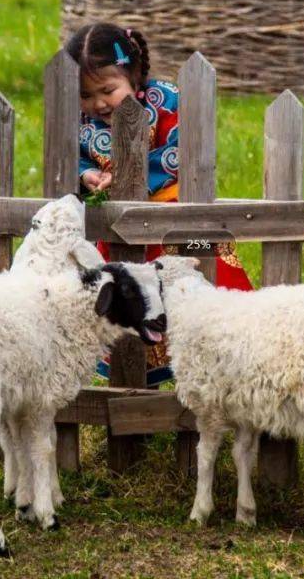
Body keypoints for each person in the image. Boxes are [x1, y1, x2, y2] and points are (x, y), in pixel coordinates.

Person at [64, 21, 253, 387]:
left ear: (134, 76)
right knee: (133, 303)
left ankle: (226, 365)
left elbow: (179, 152)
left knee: (209, 269)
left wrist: (130, 178)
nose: (98, 103)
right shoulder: (82, 120)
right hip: (118, 233)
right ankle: (138, 381)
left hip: (181, 226)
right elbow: (73, 156)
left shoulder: (165, 102)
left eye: (107, 90)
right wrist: (86, 176)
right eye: (86, 95)